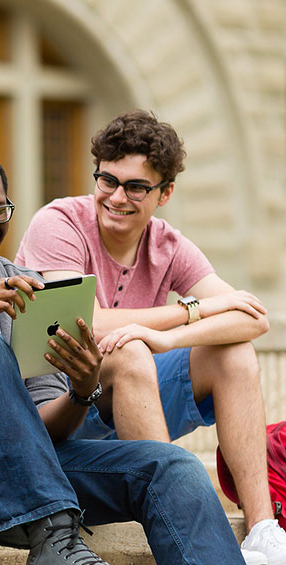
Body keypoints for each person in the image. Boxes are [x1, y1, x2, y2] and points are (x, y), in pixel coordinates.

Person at [0, 143, 250, 564]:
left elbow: (42, 427)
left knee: (172, 468)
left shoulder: (26, 283)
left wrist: (81, 391)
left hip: (23, 474)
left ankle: (54, 532)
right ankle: (55, 539)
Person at [15, 110, 284, 564]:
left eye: (136, 187)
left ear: (165, 193)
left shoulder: (167, 244)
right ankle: (176, 514)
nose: (117, 197)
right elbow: (87, 328)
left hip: (131, 400)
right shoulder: (59, 222)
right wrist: (187, 312)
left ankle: (263, 532)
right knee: (132, 351)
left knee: (232, 353)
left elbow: (253, 321)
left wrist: (167, 338)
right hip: (58, 411)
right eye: (107, 180)